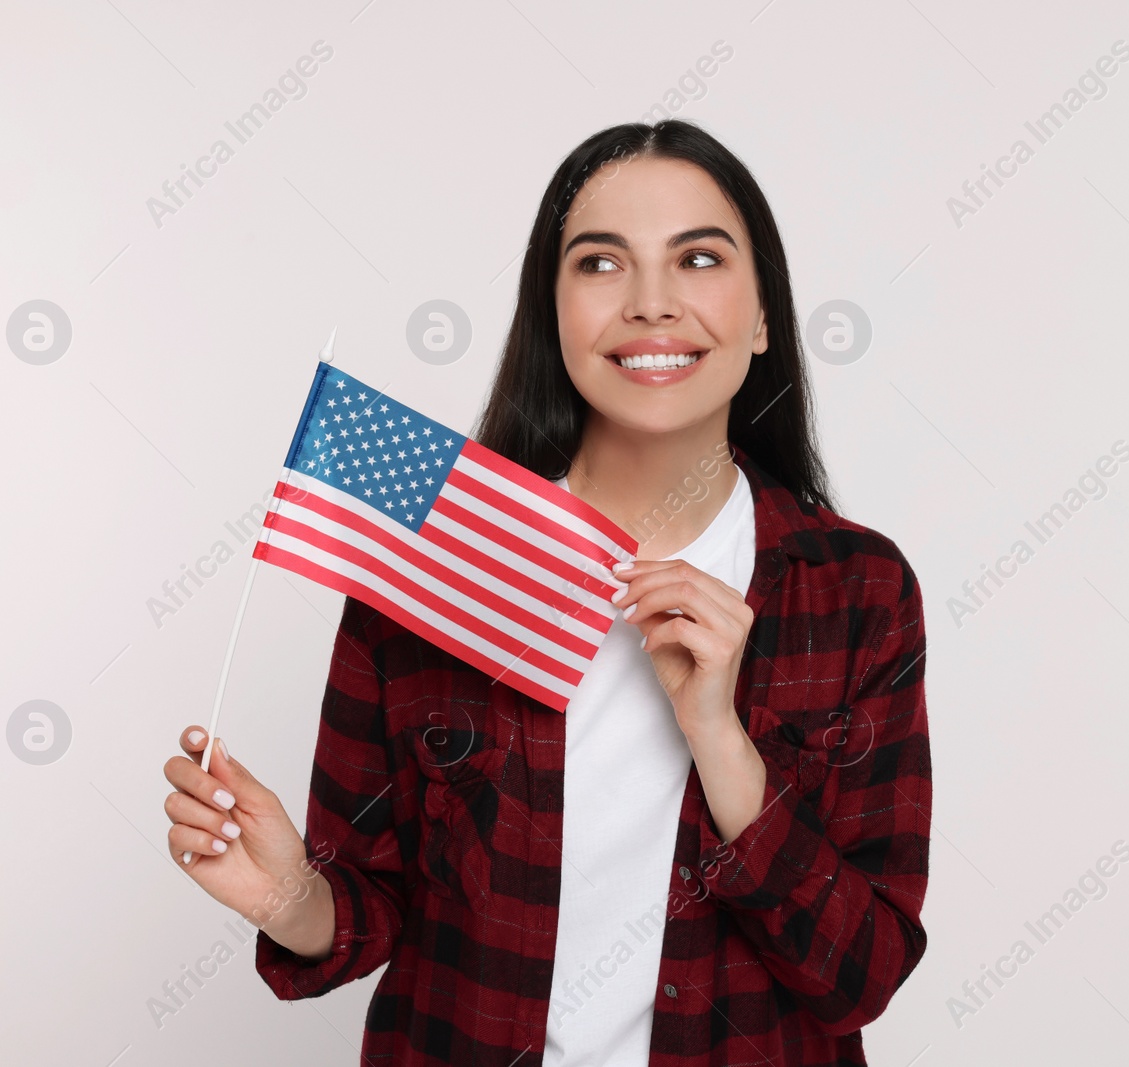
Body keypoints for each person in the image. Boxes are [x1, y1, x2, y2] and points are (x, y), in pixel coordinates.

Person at [162, 118, 931, 1066]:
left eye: (698, 258)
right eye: (601, 263)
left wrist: (721, 743)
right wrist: (286, 897)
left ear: (765, 314)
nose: (653, 303)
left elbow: (864, 975)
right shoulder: (434, 552)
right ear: (552, 311)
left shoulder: (856, 590)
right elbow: (368, 903)